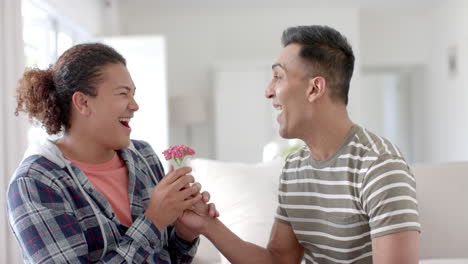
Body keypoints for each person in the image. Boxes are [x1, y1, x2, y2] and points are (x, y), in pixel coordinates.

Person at [182, 25, 421, 263]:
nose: (268, 91)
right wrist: (208, 225)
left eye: (278, 77)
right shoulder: (294, 169)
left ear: (314, 88)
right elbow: (278, 261)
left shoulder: (378, 166)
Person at [7, 43, 218, 263]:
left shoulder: (143, 156)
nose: (135, 106)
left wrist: (185, 234)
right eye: (123, 94)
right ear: (83, 102)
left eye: (133, 94)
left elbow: (170, 258)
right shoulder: (34, 183)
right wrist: (153, 221)